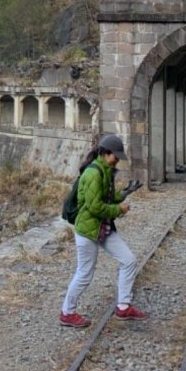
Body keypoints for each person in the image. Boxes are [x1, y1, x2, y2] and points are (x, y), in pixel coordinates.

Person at [60, 134, 148, 328]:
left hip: (103, 227)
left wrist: (123, 193)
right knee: (84, 273)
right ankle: (67, 312)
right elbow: (94, 207)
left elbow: (105, 197)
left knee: (129, 260)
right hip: (88, 230)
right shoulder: (93, 173)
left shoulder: (105, 170)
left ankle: (123, 307)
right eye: (115, 157)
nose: (117, 160)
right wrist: (119, 209)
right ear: (105, 153)